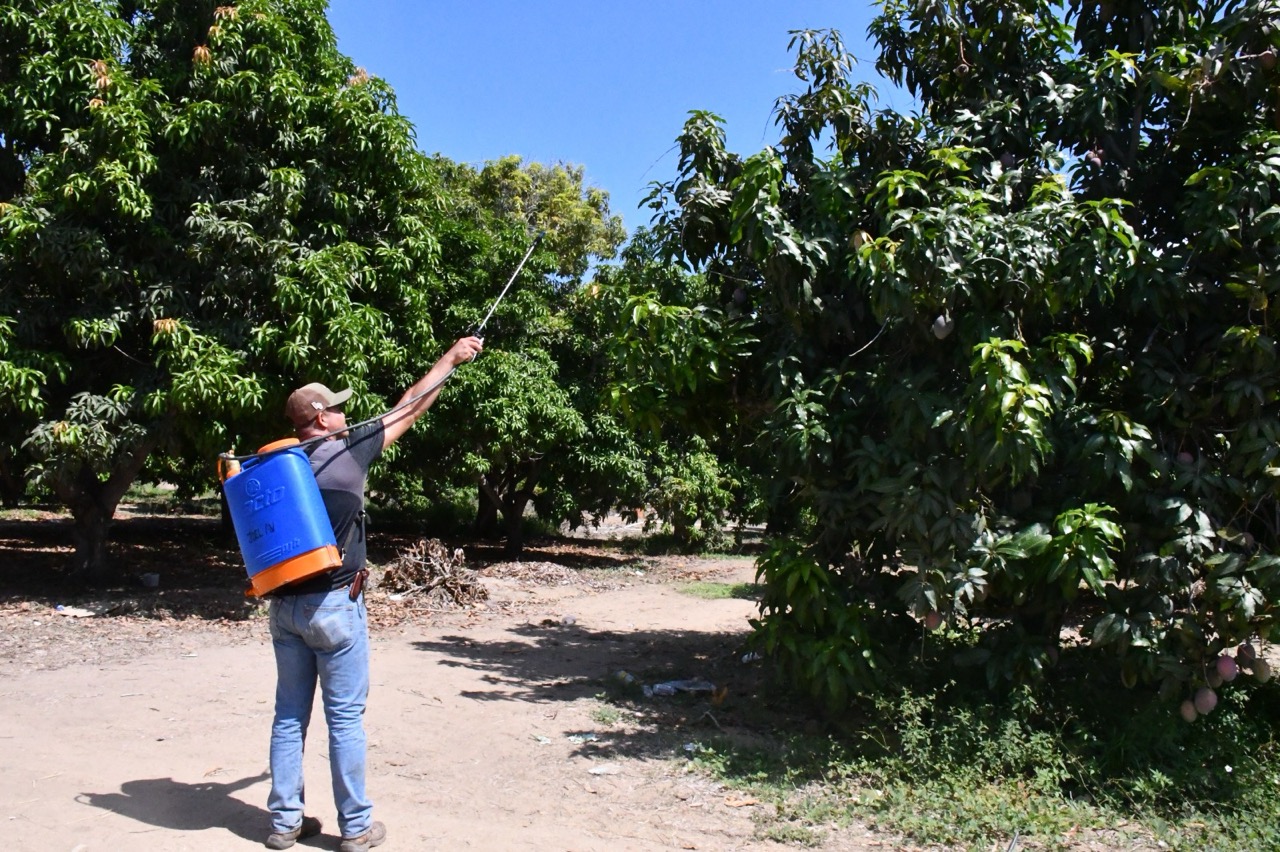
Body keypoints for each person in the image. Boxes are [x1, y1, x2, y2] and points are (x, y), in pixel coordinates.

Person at [264, 336, 484, 852]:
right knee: (344, 718)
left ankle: (284, 824)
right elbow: (410, 403)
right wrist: (451, 358)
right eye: (336, 409)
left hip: (284, 610)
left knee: (289, 715)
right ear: (319, 418)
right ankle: (357, 828)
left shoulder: (280, 468)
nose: (344, 413)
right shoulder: (345, 454)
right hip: (335, 607)